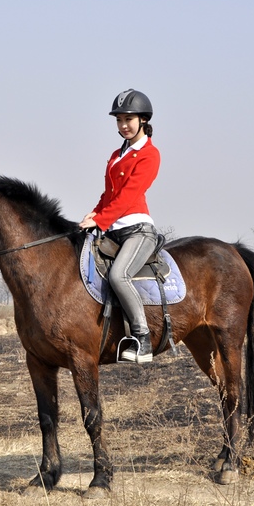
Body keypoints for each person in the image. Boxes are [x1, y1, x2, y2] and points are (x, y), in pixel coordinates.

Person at [79, 89, 160, 364]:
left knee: (118, 276)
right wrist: (95, 212)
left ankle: (143, 339)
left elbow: (127, 197)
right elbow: (109, 194)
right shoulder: (117, 154)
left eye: (129, 119)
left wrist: (101, 219)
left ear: (143, 120)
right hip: (112, 229)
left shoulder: (149, 154)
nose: (124, 125)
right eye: (119, 120)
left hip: (137, 230)